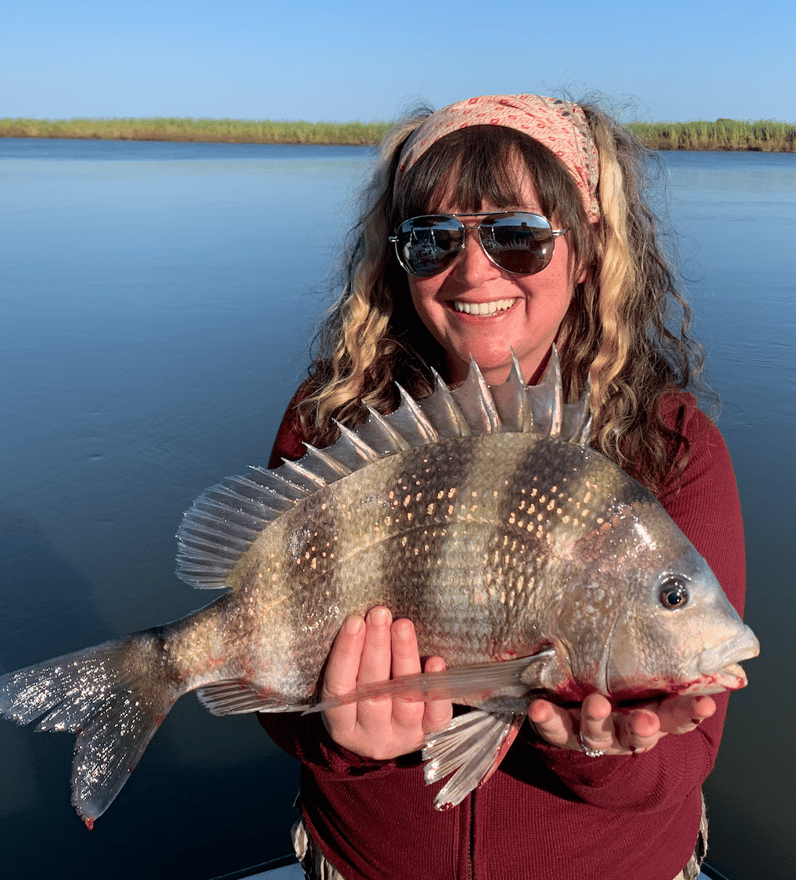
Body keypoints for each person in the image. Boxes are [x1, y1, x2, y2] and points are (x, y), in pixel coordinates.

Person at [258, 94, 746, 880]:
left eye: (518, 237)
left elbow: (683, 763)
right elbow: (268, 661)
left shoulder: (671, 448)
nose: (474, 270)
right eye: (432, 239)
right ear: (399, 260)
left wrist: (599, 754)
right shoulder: (335, 425)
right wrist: (334, 739)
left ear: (586, 251)